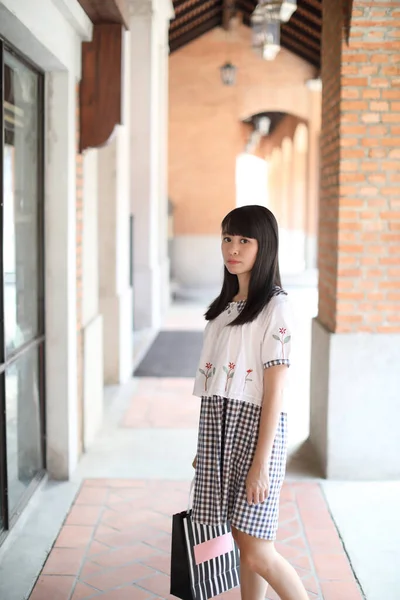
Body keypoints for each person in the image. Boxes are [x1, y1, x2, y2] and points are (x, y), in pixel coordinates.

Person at [191, 205, 308, 600]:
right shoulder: (224, 309)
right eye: (227, 238)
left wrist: (261, 464)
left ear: (265, 247)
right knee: (245, 545)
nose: (233, 248)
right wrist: (206, 449)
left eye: (244, 240)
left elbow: (276, 390)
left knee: (258, 550)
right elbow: (218, 389)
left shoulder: (276, 307)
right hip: (221, 430)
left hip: (256, 434)